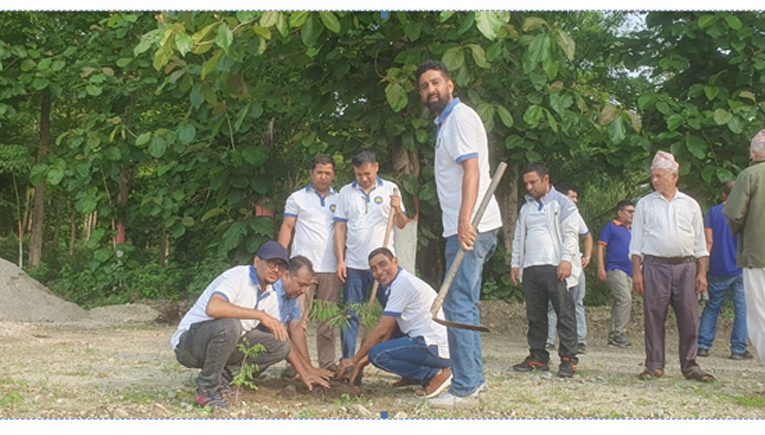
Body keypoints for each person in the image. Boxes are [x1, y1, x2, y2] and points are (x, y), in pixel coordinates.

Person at [416, 60, 502, 407]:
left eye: (435, 82)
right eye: (424, 86)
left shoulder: (460, 118)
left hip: (468, 227)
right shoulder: (446, 123)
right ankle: (472, 381)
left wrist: (465, 221)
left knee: (459, 304)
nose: (430, 90)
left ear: (450, 84)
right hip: (465, 225)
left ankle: (466, 387)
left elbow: (471, 170)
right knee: (461, 303)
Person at [171, 242, 330, 409]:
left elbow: (284, 337)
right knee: (231, 326)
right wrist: (260, 315)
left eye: (281, 266)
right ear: (256, 261)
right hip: (189, 345)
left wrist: (305, 373)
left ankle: (224, 378)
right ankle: (207, 391)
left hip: (222, 343)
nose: (275, 270)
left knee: (280, 345)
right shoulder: (238, 276)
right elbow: (214, 308)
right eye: (271, 264)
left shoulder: (269, 295)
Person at [630, 151, 713, 382]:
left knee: (689, 317)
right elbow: (635, 243)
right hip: (654, 267)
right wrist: (637, 273)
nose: (654, 180)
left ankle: (690, 366)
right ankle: (654, 365)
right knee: (654, 316)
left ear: (674, 176)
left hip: (686, 268)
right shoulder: (644, 204)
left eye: (659, 175)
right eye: (653, 176)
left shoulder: (690, 205)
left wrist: (702, 273)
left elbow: (700, 244)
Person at [336, 248, 452, 399]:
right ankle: (412, 377)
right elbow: (390, 330)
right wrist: (360, 364)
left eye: (383, 264)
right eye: (374, 269)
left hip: (434, 347)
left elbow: (381, 331)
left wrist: (354, 360)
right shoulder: (397, 283)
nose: (379, 272)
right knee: (388, 341)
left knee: (377, 355)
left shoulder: (402, 284)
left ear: (395, 261)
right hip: (431, 344)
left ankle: (434, 375)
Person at [334, 150, 408, 360]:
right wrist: (341, 260)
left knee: (395, 313)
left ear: (376, 167)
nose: (363, 178)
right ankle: (348, 360)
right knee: (351, 314)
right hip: (355, 265)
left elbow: (401, 224)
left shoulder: (391, 189)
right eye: (359, 174)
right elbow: (340, 228)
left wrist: (398, 209)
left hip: (384, 267)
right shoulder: (345, 193)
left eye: (367, 173)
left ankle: (401, 358)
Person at [511, 162, 581, 379]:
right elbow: (519, 236)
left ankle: (569, 358)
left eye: (533, 182)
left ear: (546, 179)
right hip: (531, 266)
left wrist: (566, 260)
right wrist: (516, 264)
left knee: (565, 313)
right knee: (535, 315)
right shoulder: (526, 207)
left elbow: (571, 233)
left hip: (556, 266)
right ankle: (538, 356)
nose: (529, 187)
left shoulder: (563, 204)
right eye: (526, 183)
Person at [278, 154, 342, 372]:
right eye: (319, 172)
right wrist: (281, 260)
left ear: (333, 174)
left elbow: (343, 231)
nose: (323, 177)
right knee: (298, 318)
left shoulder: (340, 199)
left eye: (328, 173)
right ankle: (297, 365)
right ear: (311, 173)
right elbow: (287, 227)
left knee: (327, 321)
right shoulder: (297, 198)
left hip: (331, 268)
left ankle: (327, 364)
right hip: (302, 269)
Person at [725, 129, 765, 390]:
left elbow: (735, 214)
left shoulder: (749, 175)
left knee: (760, 315)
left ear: (753, 153)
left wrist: (739, 231)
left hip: (757, 253)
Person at [698, 181, 752, 360]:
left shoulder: (713, 213)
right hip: (741, 268)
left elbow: (709, 242)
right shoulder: (746, 213)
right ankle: (738, 349)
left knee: (712, 307)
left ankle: (703, 346)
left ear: (724, 195)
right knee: (742, 309)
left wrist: (703, 269)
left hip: (718, 268)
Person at [545, 183, 592, 354]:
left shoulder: (575, 215)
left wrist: (587, 256)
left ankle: (580, 340)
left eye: (575, 197)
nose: (575, 200)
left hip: (575, 266)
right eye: (572, 197)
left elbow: (587, 236)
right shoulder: (549, 211)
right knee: (552, 304)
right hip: (553, 264)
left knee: (576, 302)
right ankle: (549, 340)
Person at [597, 199, 636, 348]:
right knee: (625, 298)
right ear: (620, 212)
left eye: (634, 212)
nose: (632, 214)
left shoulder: (632, 230)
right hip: (615, 268)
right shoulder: (611, 227)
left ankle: (614, 335)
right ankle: (619, 332)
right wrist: (601, 267)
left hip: (629, 271)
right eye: (629, 211)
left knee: (620, 301)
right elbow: (601, 247)